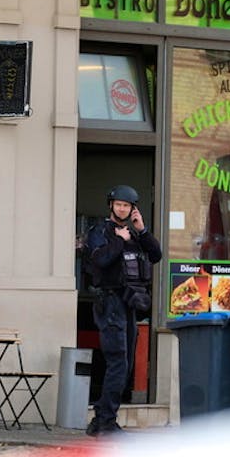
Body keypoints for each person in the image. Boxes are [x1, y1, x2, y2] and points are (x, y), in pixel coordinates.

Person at [83, 185, 162, 437]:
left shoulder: (134, 233)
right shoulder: (100, 232)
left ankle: (101, 420)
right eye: (118, 204)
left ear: (132, 209)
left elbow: (156, 254)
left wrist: (142, 230)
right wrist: (119, 240)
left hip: (129, 304)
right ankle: (106, 422)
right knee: (118, 361)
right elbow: (101, 260)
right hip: (110, 302)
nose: (122, 209)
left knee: (124, 365)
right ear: (111, 205)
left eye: (127, 206)